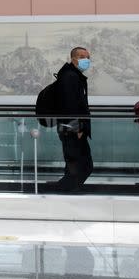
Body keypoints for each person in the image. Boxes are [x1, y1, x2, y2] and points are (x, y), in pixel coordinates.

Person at [54, 46, 93, 192]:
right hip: (72, 130)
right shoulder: (70, 77)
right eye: (83, 57)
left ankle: (63, 193)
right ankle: (67, 194)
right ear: (73, 59)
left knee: (75, 168)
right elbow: (69, 105)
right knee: (83, 166)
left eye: (88, 57)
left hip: (72, 129)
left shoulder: (72, 76)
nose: (86, 60)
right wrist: (78, 128)